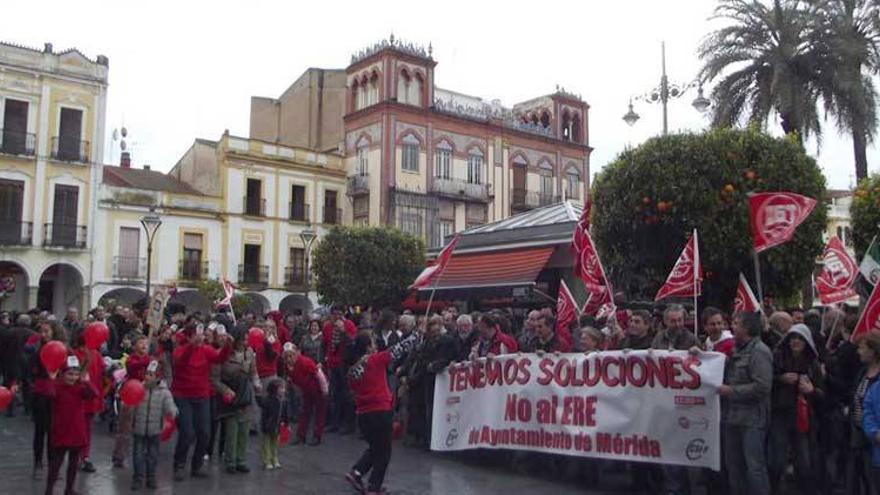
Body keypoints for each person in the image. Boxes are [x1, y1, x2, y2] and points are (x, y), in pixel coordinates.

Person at [345, 332, 421, 495]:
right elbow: (399, 349)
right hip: (380, 410)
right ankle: (374, 486)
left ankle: (357, 472)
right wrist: (417, 334)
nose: (376, 346)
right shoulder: (375, 359)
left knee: (375, 447)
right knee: (384, 451)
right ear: (368, 347)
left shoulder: (352, 371)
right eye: (372, 343)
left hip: (363, 413)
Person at [718, 311, 772, 495]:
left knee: (754, 467)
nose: (732, 326)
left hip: (752, 419)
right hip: (732, 417)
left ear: (747, 328)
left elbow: (762, 386)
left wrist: (731, 391)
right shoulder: (736, 350)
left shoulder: (759, 351)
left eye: (736, 323)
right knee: (734, 466)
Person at [768, 323, 825, 495]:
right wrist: (781, 379)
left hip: (803, 417)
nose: (796, 341)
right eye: (793, 337)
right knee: (777, 461)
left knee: (804, 462)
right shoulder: (777, 357)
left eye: (800, 338)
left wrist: (811, 390)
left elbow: (823, 394)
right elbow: (767, 382)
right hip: (780, 414)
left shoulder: (813, 363)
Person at [171, 322, 232, 481]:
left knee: (205, 432)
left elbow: (219, 358)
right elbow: (181, 362)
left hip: (201, 395)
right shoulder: (179, 350)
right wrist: (192, 346)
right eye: (196, 334)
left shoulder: (206, 349)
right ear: (189, 336)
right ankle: (179, 464)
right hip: (182, 395)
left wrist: (227, 345)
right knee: (186, 431)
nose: (200, 337)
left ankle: (197, 465)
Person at [45, 355, 99, 495]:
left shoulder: (80, 388)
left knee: (73, 463)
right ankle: (49, 489)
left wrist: (87, 381)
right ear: (62, 374)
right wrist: (51, 379)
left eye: (75, 374)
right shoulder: (57, 387)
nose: (73, 377)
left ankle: (69, 489)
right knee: (56, 463)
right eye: (69, 374)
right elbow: (49, 395)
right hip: (61, 429)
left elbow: (94, 394)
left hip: (76, 430)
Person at [211, 329, 258, 474]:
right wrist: (225, 390)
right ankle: (230, 461)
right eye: (242, 340)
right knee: (232, 430)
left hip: (246, 393)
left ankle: (241, 459)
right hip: (230, 395)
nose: (245, 343)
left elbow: (253, 372)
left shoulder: (249, 353)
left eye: (246, 339)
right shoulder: (224, 355)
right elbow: (214, 379)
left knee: (244, 429)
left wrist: (256, 383)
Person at [25, 321, 66, 480]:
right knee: (40, 430)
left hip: (57, 393)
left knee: (54, 432)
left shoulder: (62, 348)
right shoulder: (37, 350)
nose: (44, 334)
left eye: (47, 331)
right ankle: (38, 463)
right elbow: (31, 370)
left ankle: (52, 464)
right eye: (42, 331)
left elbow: (68, 369)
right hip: (41, 393)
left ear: (54, 332)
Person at [131, 360, 178, 491]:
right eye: (147, 373)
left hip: (155, 429)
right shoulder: (139, 388)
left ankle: (151, 477)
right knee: (138, 454)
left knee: (152, 455)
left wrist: (172, 412)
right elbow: (130, 405)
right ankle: (137, 478)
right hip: (139, 428)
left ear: (158, 376)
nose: (148, 377)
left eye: (151, 374)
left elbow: (170, 407)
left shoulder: (164, 392)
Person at [112, 335, 151, 468]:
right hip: (130, 394)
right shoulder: (131, 359)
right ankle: (119, 455)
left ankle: (141, 454)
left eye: (146, 344)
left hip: (145, 394)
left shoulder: (150, 360)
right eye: (141, 343)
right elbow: (133, 367)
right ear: (135, 346)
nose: (144, 346)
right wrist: (148, 362)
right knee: (125, 427)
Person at [850, 331, 880, 494]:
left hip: (874, 439)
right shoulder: (862, 372)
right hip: (859, 434)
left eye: (862, 348)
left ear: (873, 351)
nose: (858, 352)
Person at [72, 334, 104, 473]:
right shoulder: (94, 354)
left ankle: (80, 456)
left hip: (82, 397)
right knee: (85, 430)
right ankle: (83, 456)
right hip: (87, 397)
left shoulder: (77, 354)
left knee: (81, 429)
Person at [283, 344, 327, 446]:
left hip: (318, 390)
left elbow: (319, 374)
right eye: (287, 356)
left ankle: (317, 436)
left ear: (296, 354)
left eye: (291, 355)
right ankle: (300, 436)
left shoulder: (305, 362)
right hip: (306, 391)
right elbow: (289, 378)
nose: (289, 359)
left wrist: (324, 390)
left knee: (319, 413)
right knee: (304, 412)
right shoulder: (287, 366)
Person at [323, 307, 358, 434]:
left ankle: (349, 424)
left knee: (347, 394)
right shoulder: (327, 327)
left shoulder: (349, 325)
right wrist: (322, 361)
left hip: (345, 364)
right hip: (332, 363)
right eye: (334, 314)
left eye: (339, 314)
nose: (337, 317)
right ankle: (335, 422)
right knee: (334, 394)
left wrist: (343, 331)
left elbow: (353, 342)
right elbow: (324, 344)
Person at [259, 377, 287, 469]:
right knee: (266, 444)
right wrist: (264, 425)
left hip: (277, 425)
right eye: (281, 388)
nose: (283, 390)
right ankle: (266, 460)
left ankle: (274, 459)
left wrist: (286, 423)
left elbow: (285, 413)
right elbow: (264, 415)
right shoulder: (268, 401)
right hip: (268, 425)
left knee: (275, 443)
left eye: (284, 388)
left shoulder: (283, 401)